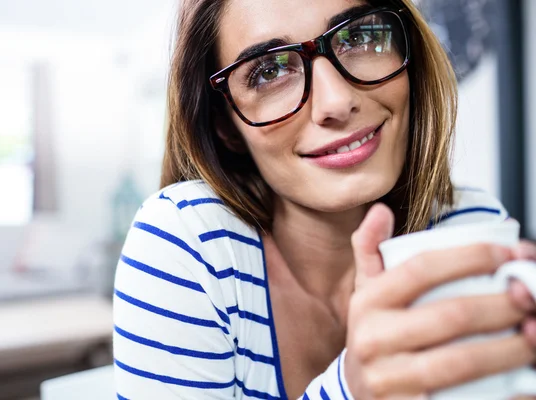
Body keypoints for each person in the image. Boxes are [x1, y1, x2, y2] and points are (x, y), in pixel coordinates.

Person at [113, 0, 536, 398]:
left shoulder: (466, 225)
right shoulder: (189, 244)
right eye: (269, 71)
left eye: (358, 36)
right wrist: (352, 388)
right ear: (224, 125)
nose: (338, 101)